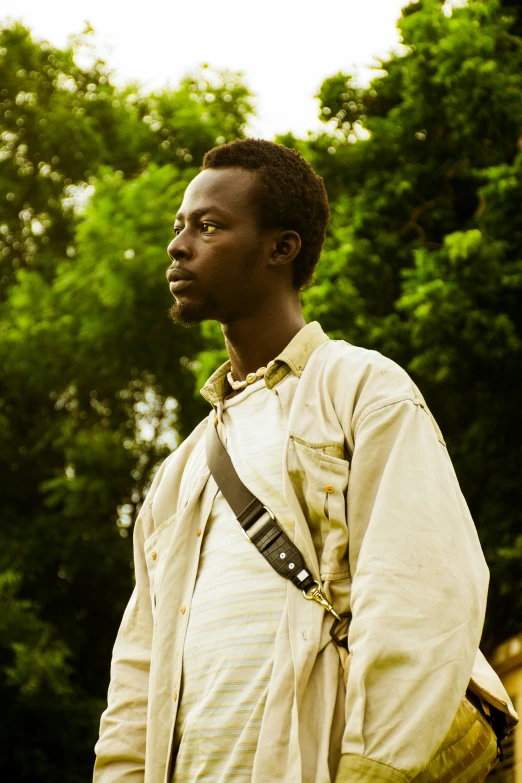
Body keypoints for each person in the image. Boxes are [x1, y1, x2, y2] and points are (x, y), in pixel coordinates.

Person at [93, 139, 517, 783]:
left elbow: (421, 592)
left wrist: (375, 769)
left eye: (208, 227)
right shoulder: (179, 472)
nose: (179, 246)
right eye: (179, 228)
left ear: (281, 248)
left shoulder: (360, 388)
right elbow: (138, 673)